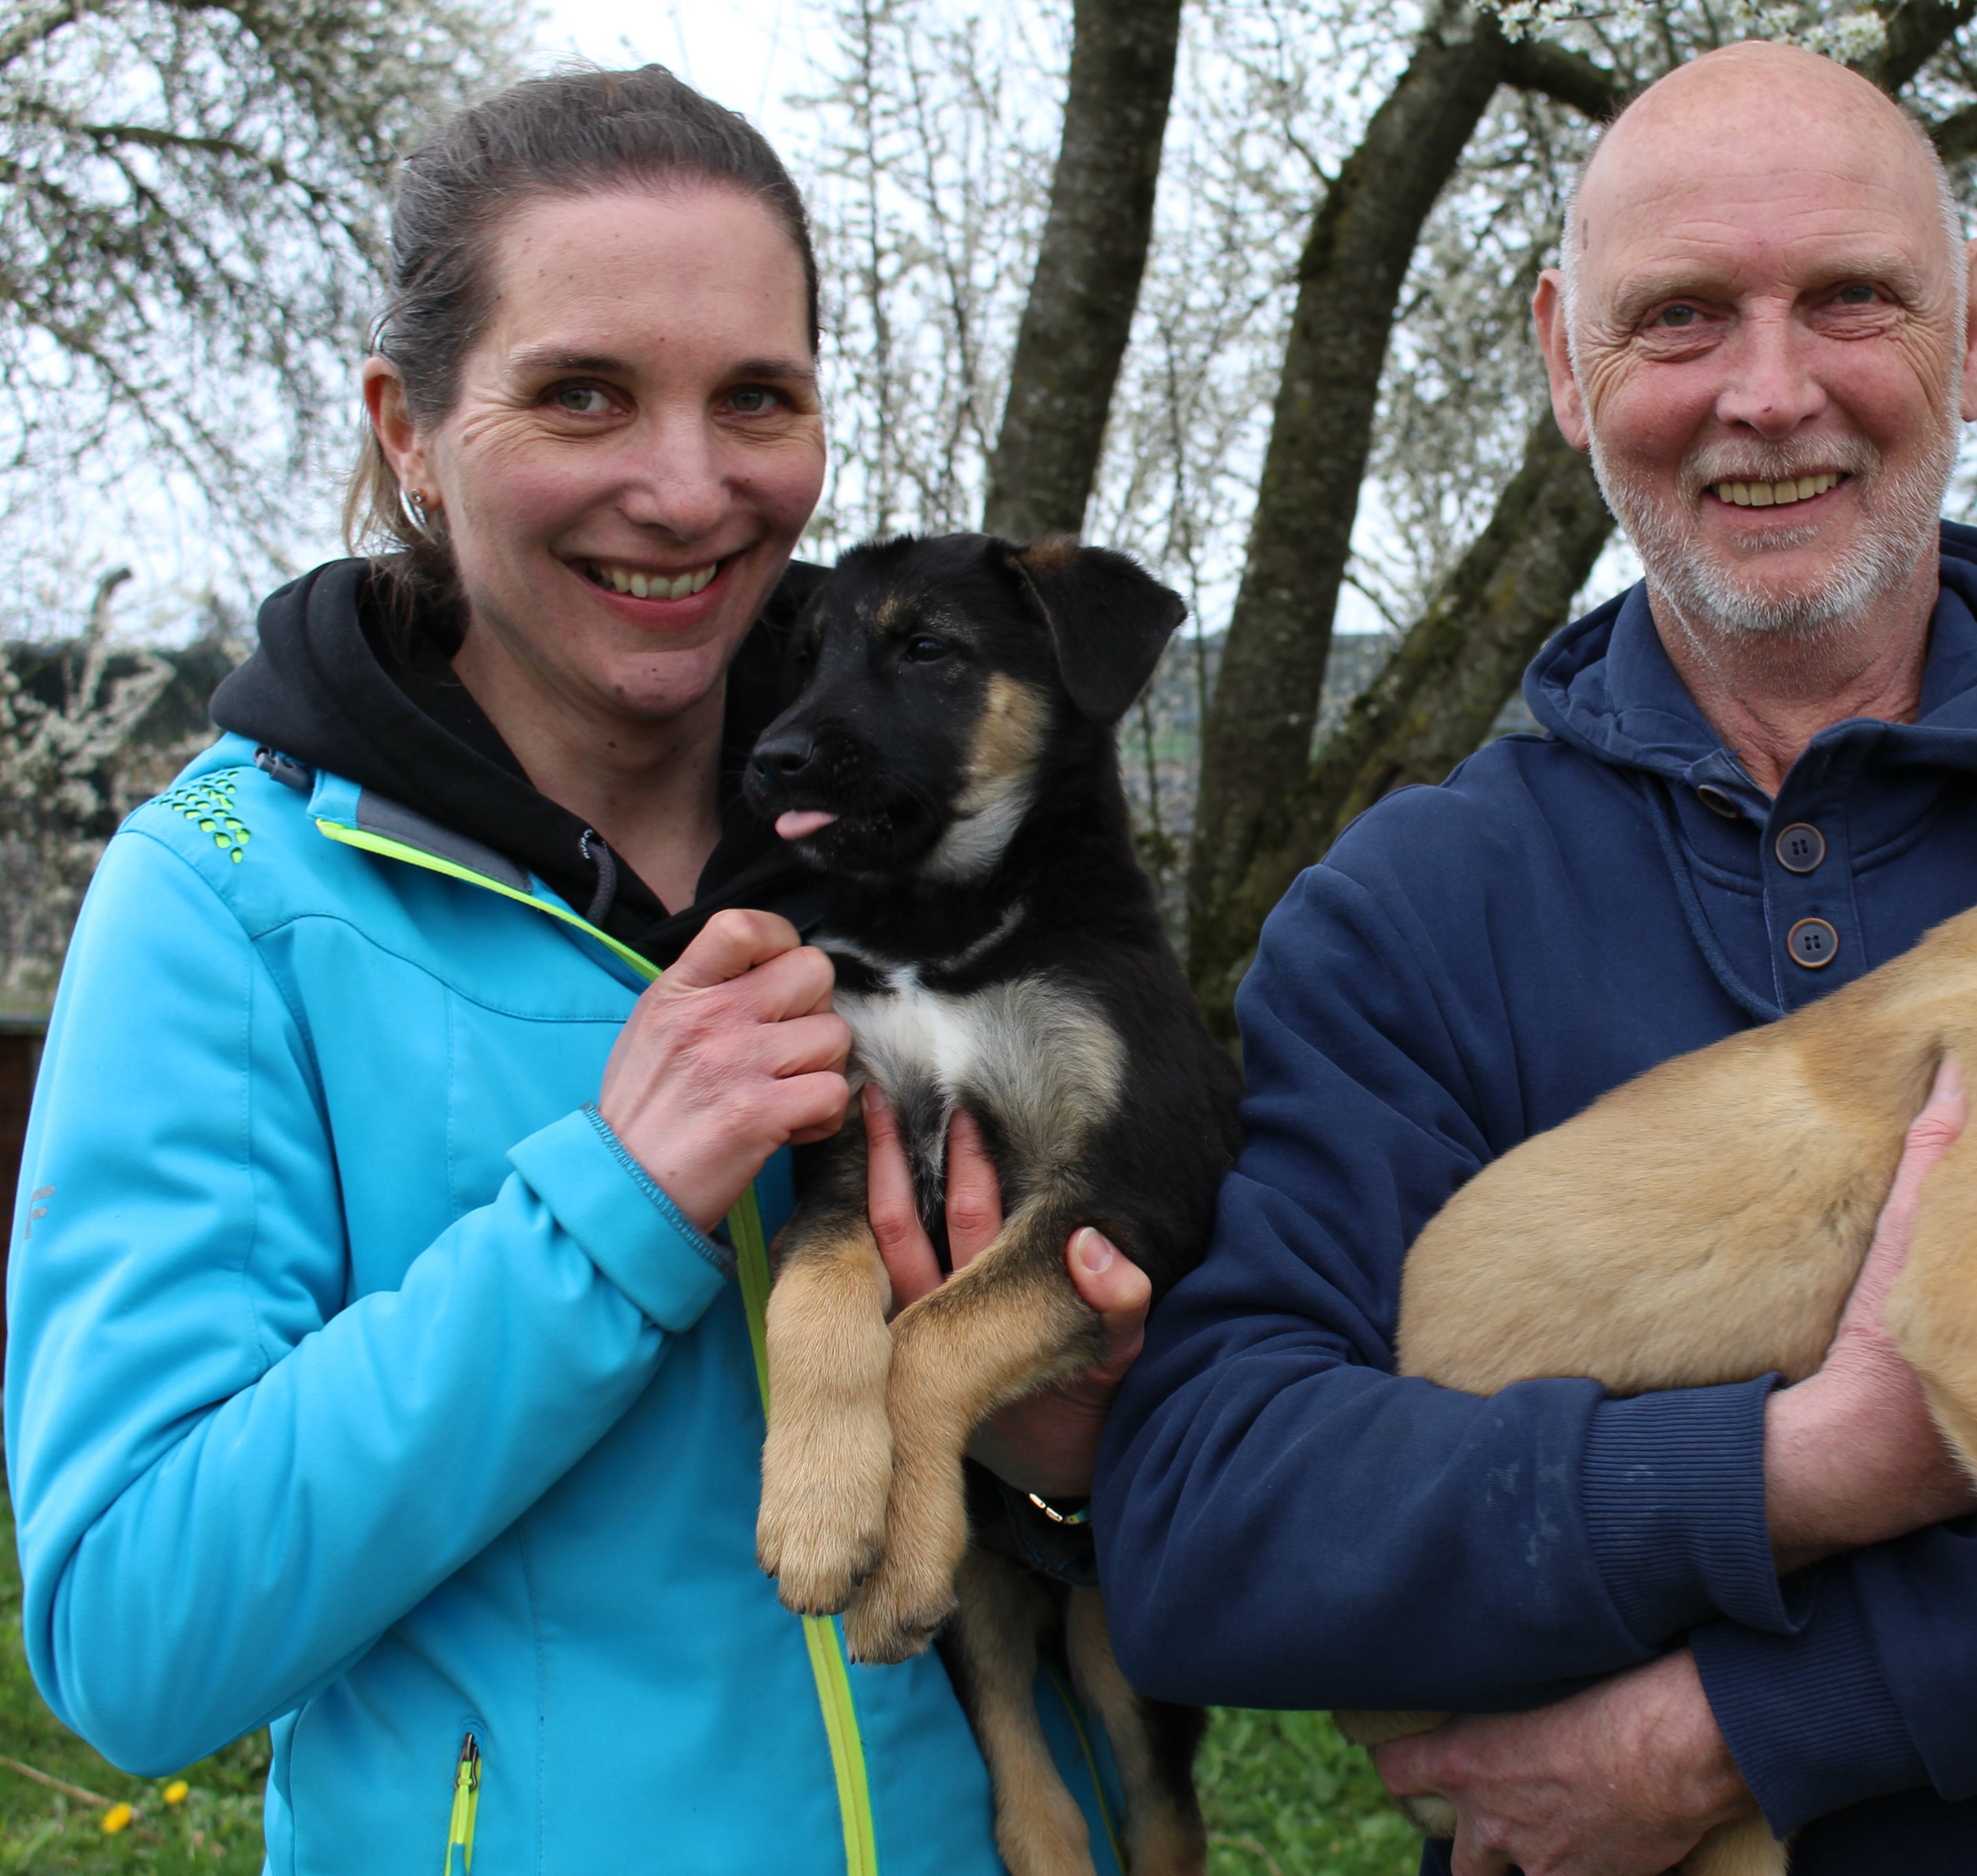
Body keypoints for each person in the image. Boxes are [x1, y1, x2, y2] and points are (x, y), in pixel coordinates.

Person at [1094, 41, 1977, 1876]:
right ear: (1563, 363)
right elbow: (1220, 1512)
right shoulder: (1412, 909)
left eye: (1853, 297)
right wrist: (1786, 1471)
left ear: (1976, 332)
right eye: (1681, 316)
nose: (1771, 393)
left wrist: (1742, 1731)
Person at [5, 67, 1151, 1873]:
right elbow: (135, 1639)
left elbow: (1112, 1442)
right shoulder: (224, 903)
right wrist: (607, 1213)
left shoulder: (931, 839)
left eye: (756, 399)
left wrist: (1076, 1457)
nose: (688, 487)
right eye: (583, 394)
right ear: (409, 426)